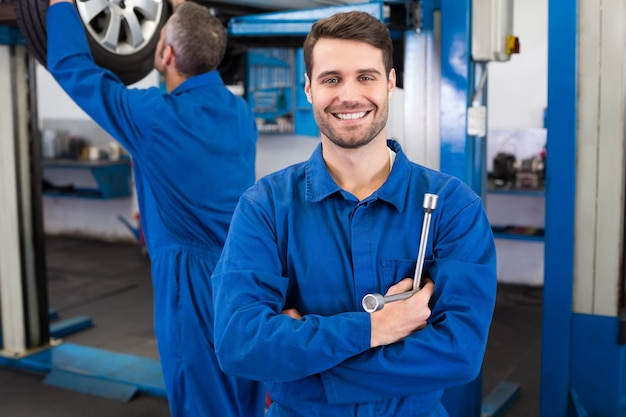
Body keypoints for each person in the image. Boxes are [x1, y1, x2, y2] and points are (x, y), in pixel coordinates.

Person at [211, 10, 497, 417]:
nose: (349, 95)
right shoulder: (265, 207)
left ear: (391, 84)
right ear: (308, 88)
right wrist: (376, 328)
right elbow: (239, 345)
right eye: (331, 79)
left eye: (366, 76)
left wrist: (303, 357)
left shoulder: (453, 206)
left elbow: (460, 354)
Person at [46, 1, 265, 417]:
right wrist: (188, 14)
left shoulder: (154, 117)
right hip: (245, 274)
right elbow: (202, 48)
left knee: (201, 398)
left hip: (192, 284)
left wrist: (59, 6)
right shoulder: (240, 113)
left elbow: (72, 67)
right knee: (244, 393)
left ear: (164, 55)